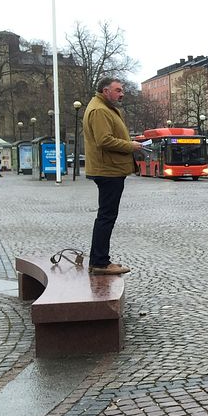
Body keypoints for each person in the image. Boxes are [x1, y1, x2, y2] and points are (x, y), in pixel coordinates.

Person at [83, 78, 142, 275]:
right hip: (108, 170)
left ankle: (99, 260)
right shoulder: (100, 110)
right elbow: (104, 140)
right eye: (118, 90)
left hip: (109, 169)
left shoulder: (103, 107)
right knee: (106, 217)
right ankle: (100, 262)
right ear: (105, 90)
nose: (122, 93)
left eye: (122, 90)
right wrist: (130, 146)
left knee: (105, 216)